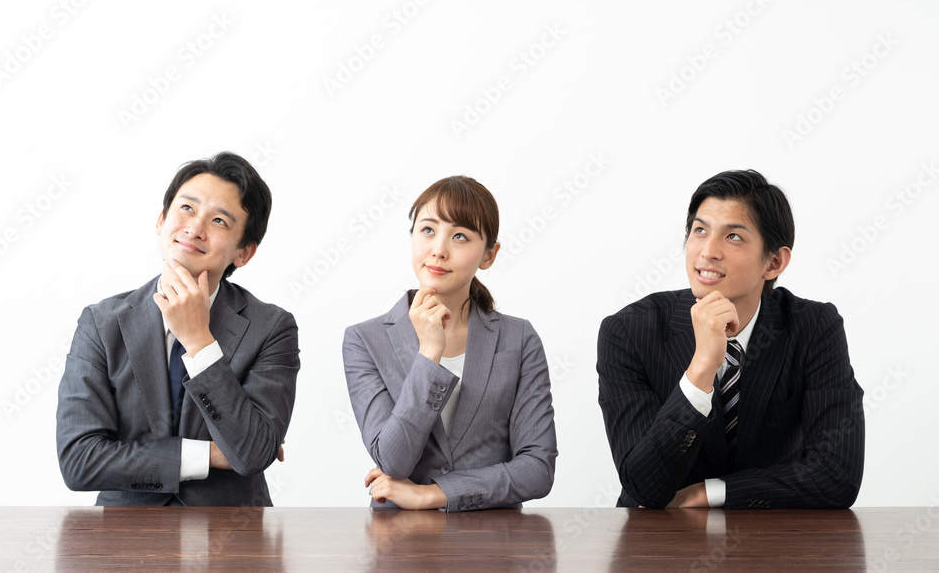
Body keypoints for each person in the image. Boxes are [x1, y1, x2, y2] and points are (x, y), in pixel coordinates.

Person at [597, 169, 864, 509]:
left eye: (733, 236)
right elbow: (644, 488)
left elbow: (837, 474)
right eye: (699, 230)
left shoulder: (814, 327)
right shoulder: (629, 332)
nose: (707, 252)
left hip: (772, 541)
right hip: (659, 541)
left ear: (774, 262)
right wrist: (702, 367)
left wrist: (713, 493)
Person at [56, 152, 300, 506]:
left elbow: (251, 454)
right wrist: (208, 455)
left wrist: (198, 340)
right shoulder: (101, 322)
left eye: (219, 220)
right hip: (123, 544)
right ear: (161, 219)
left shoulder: (271, 327)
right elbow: (80, 462)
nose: (195, 229)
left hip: (232, 543)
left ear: (244, 253)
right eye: (187, 208)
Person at [343, 176, 557, 511]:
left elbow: (537, 469)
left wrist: (432, 494)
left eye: (460, 236)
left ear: (489, 255)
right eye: (427, 230)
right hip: (399, 545)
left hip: (494, 543)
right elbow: (393, 460)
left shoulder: (519, 339)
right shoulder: (365, 340)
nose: (438, 250)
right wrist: (429, 354)